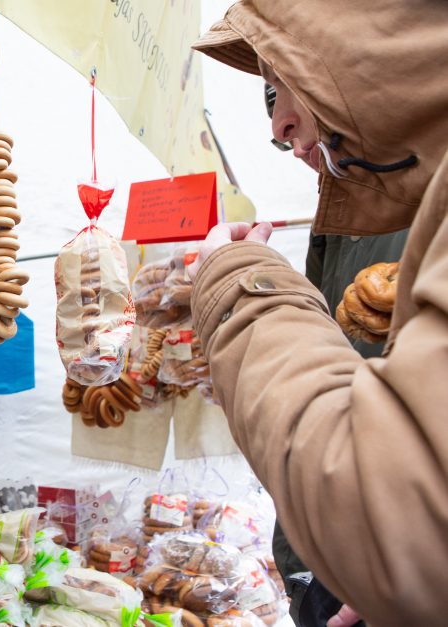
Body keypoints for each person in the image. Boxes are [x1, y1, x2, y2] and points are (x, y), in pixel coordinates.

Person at [186, 2, 448, 625]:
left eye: (284, 81)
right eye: (266, 93)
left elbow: (388, 513)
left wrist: (240, 284)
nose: (278, 126)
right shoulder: (365, 212)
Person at [263, 84, 407, 627]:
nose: (281, 132)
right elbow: (322, 349)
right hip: (325, 544)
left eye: (283, 93)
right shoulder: (339, 207)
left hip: (389, 558)